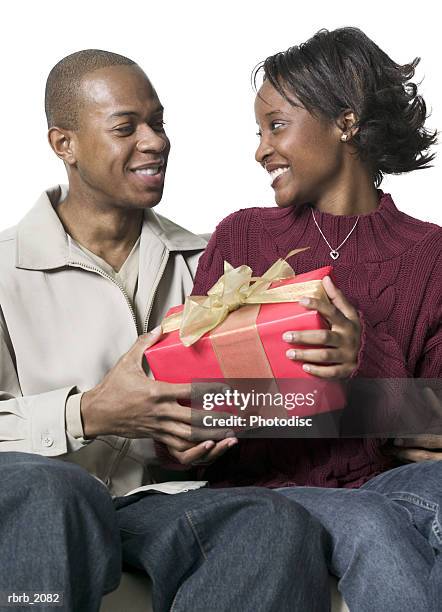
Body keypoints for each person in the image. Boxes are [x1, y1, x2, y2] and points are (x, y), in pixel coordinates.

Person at [0, 50, 333, 612]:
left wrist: (196, 442)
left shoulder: (214, 263)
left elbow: (269, 408)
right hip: (34, 499)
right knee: (52, 491)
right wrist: (87, 414)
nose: (155, 141)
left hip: (151, 504)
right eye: (126, 127)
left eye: (158, 123)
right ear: (65, 145)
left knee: (268, 518)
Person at [161, 27, 442, 611]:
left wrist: (360, 365)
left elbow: (436, 420)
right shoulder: (243, 234)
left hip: (398, 489)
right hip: (268, 495)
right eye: (258, 131)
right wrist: (372, 399)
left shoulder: (432, 255)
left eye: (276, 125)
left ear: (345, 122)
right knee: (374, 524)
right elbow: (197, 401)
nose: (260, 149)